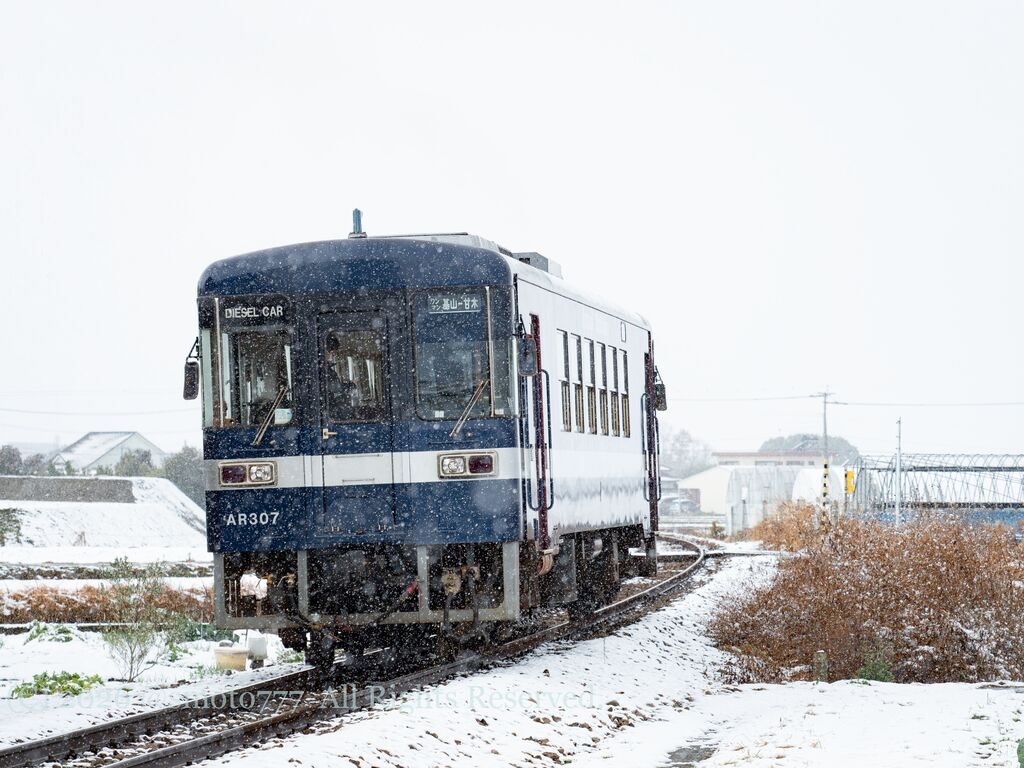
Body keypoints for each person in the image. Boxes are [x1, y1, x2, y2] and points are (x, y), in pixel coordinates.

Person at [326, 334, 360, 419]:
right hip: (333, 414)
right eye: (332, 353)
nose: (333, 356)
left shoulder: (326, 369)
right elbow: (336, 389)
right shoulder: (326, 371)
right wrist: (351, 385)